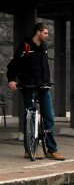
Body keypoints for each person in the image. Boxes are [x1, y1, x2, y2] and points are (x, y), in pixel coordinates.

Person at [7, 22, 64, 160]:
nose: (47, 35)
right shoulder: (25, 46)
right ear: (37, 33)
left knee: (49, 117)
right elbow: (13, 64)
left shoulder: (44, 48)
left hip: (44, 86)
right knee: (30, 116)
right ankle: (30, 150)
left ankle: (52, 150)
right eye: (45, 33)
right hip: (28, 86)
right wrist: (12, 79)